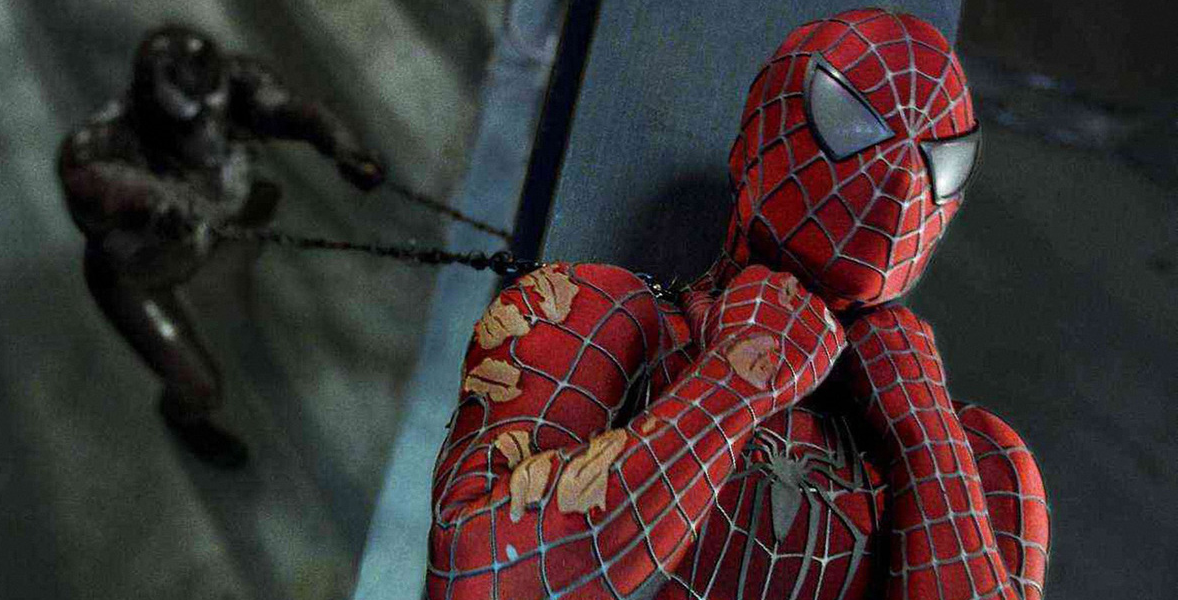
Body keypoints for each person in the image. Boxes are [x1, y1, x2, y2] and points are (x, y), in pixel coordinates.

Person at [426, 9, 1049, 600]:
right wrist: (733, 382)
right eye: (852, 124)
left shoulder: (978, 455)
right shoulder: (603, 317)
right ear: (758, 137)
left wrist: (924, 435)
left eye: (939, 162)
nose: (901, 182)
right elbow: (477, 575)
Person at [58, 25, 383, 469]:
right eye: (190, 124)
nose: (208, 132)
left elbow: (297, 112)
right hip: (138, 275)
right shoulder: (96, 149)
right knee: (197, 388)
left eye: (213, 110)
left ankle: (223, 250)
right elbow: (100, 183)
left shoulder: (235, 84)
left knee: (260, 200)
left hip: (212, 227)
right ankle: (184, 418)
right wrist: (155, 202)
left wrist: (343, 147)